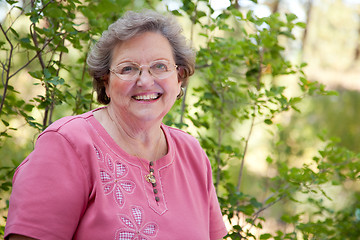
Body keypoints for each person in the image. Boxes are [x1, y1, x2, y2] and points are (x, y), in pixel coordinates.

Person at [4, 10, 228, 240]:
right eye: (128, 68)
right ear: (106, 83)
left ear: (179, 77)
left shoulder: (191, 153)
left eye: (160, 66)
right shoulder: (68, 145)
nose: (145, 80)